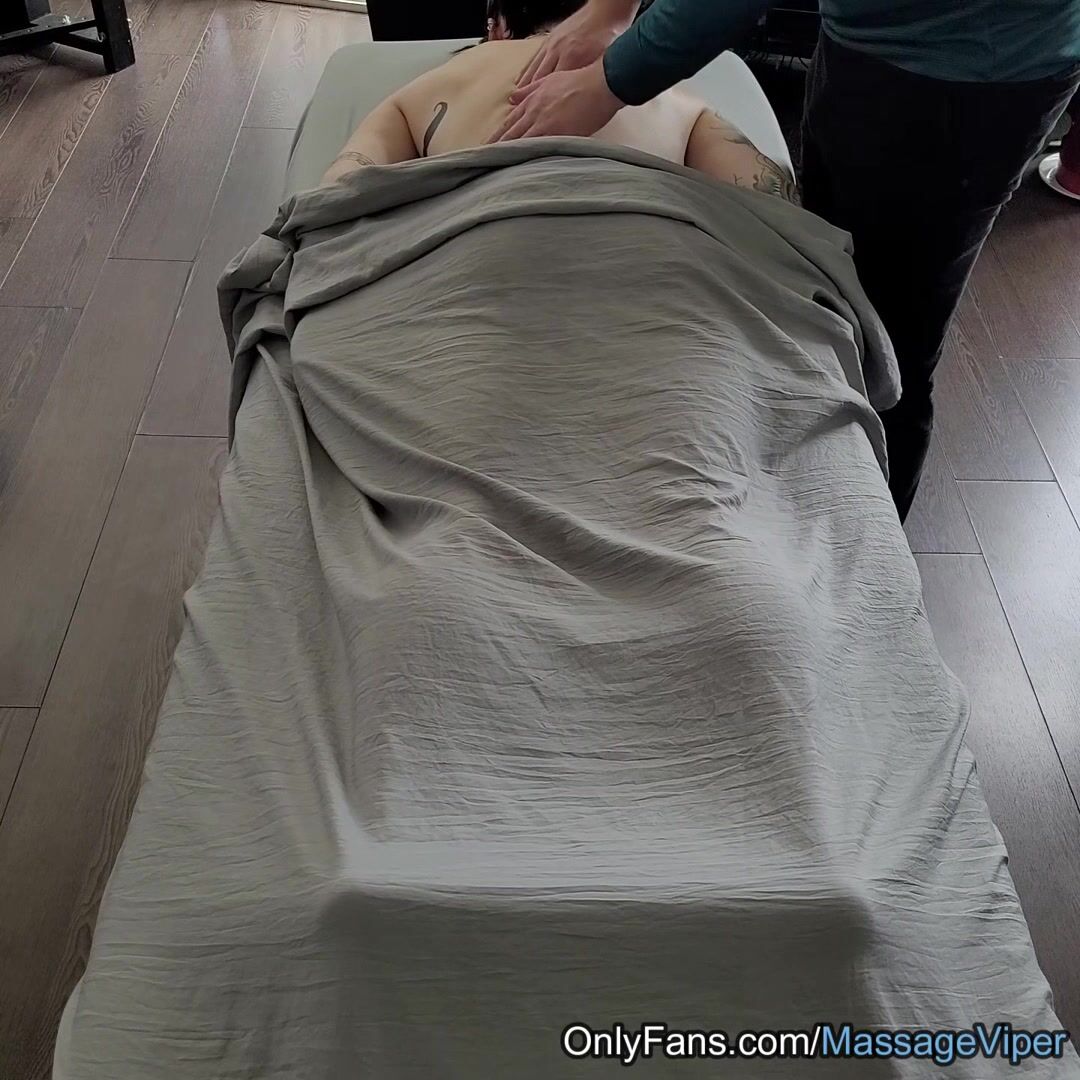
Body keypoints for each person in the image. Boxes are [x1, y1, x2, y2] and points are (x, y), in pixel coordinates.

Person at [492, 0, 1080, 519]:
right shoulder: (684, 110)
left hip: (961, 80)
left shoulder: (665, 105)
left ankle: (860, 543)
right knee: (841, 319)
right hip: (879, 54)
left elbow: (790, 243)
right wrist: (611, 16)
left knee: (883, 341)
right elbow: (781, 223)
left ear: (497, 25)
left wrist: (610, 80)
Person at [321, 0, 797, 203]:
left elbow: (334, 203)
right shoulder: (681, 105)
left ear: (496, 26)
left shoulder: (425, 91)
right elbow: (775, 211)